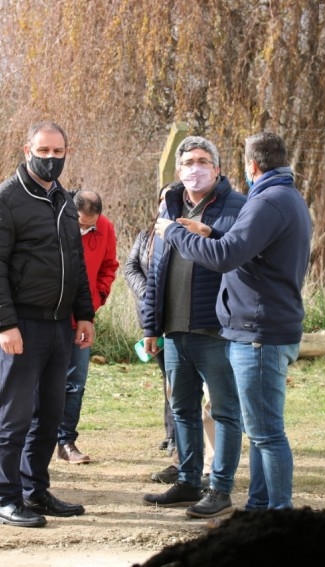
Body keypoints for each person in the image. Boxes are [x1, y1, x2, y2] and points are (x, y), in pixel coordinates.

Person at [155, 131, 312, 510]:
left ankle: (277, 513)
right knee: (260, 434)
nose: (195, 170)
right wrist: (209, 231)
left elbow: (226, 257)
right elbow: (249, 248)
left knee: (266, 433)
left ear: (251, 166)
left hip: (258, 330)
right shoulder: (283, 198)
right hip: (259, 326)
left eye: (202, 163)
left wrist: (175, 232)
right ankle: (259, 506)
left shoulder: (265, 202)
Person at [0, 121, 94, 529]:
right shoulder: (3, 201)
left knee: (50, 414)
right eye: (43, 151)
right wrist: (5, 324)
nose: (50, 159)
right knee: (15, 415)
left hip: (61, 326)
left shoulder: (65, 199)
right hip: (21, 325)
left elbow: (76, 263)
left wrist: (86, 314)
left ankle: (35, 489)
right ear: (27, 149)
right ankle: (7, 498)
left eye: (57, 152)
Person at [141, 136, 245, 519]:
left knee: (224, 411)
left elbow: (237, 253)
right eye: (187, 162)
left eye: (202, 161)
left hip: (214, 330)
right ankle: (188, 480)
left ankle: (220, 488)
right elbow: (155, 270)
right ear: (179, 170)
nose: (194, 168)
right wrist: (151, 326)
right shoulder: (169, 207)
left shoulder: (236, 206)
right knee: (182, 408)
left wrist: (211, 234)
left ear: (217, 169)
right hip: (173, 331)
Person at [125, 184, 216, 485]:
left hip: (207, 330)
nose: (167, 204)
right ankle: (181, 462)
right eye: (163, 199)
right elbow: (136, 270)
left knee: (210, 403)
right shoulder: (149, 237)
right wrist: (150, 308)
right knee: (176, 396)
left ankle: (211, 469)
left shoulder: (201, 230)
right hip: (165, 327)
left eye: (172, 199)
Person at [56, 189, 119, 464]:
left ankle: (66, 441)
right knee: (43, 382)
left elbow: (109, 266)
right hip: (51, 317)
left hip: (83, 318)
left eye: (91, 224)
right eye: (83, 223)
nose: (87, 228)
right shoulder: (57, 221)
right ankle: (37, 439)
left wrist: (98, 298)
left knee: (76, 382)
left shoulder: (105, 228)